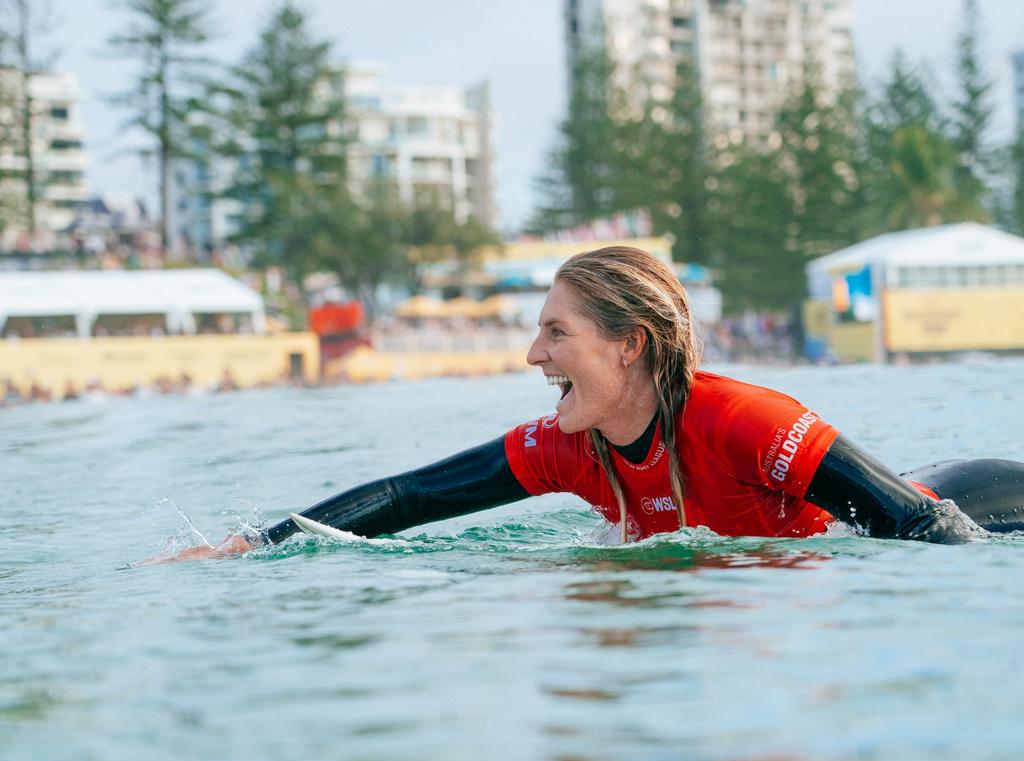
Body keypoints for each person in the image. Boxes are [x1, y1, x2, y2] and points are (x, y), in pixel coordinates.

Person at [166, 247, 1024, 562]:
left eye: (556, 332)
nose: (534, 354)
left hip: (972, 499)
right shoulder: (567, 446)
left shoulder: (738, 418)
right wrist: (257, 544)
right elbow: (411, 498)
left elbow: (917, 527)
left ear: (630, 344)